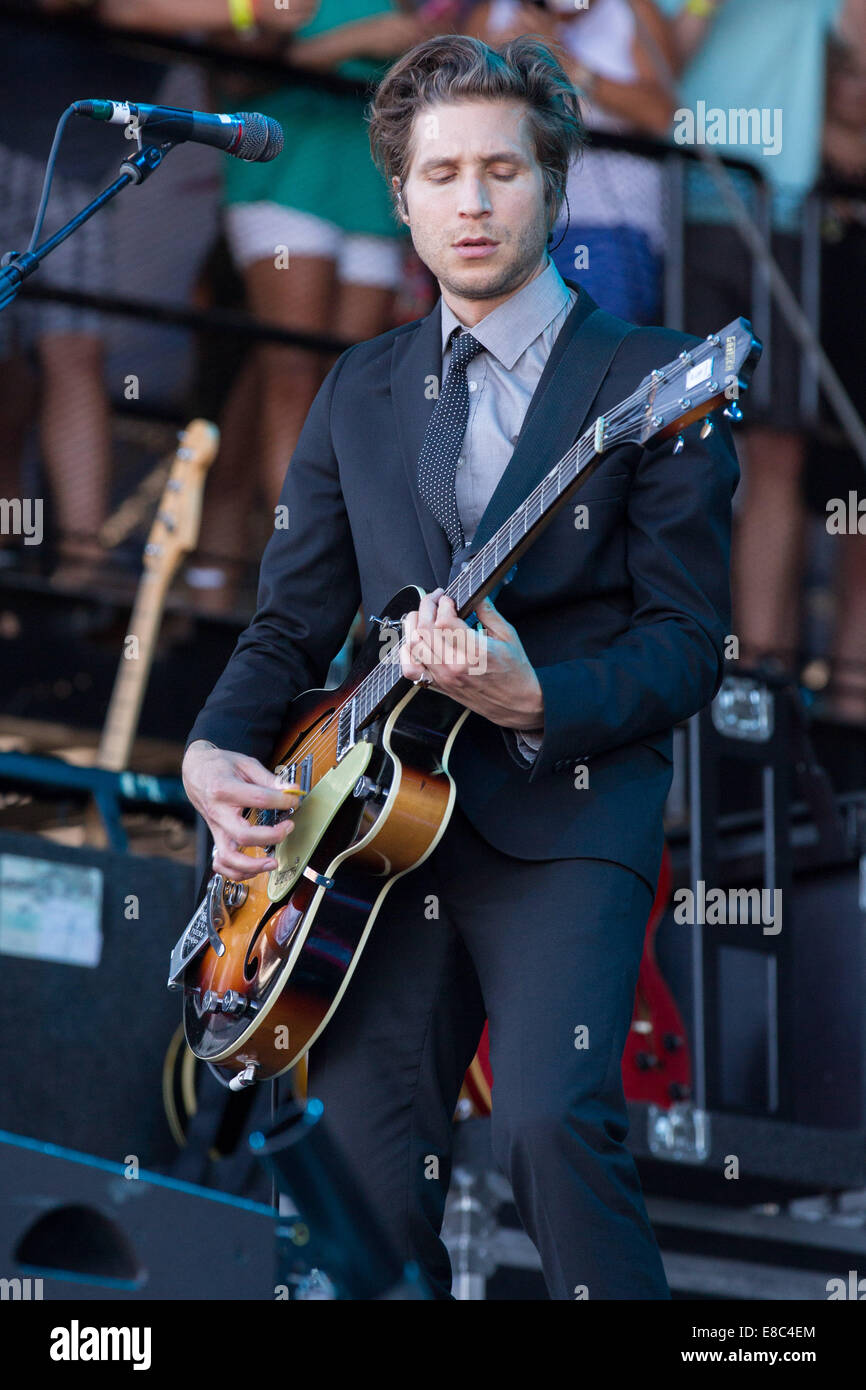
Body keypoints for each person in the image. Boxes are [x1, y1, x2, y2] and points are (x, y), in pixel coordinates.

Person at [181, 33, 740, 1300]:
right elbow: (285, 628)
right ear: (400, 198)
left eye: (501, 170)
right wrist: (211, 753)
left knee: (550, 1126)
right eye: (441, 175)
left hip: (563, 820)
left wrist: (535, 696)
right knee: (363, 1189)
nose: (472, 203)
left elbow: (686, 646)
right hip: (364, 848)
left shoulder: (650, 381)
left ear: (553, 182)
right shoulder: (354, 387)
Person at [468, 0, 677, 323]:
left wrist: (564, 59)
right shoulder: (492, 14)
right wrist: (494, 68)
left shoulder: (632, 10)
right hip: (508, 219)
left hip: (607, 224)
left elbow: (660, 115)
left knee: (597, 349)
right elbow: (458, 121)